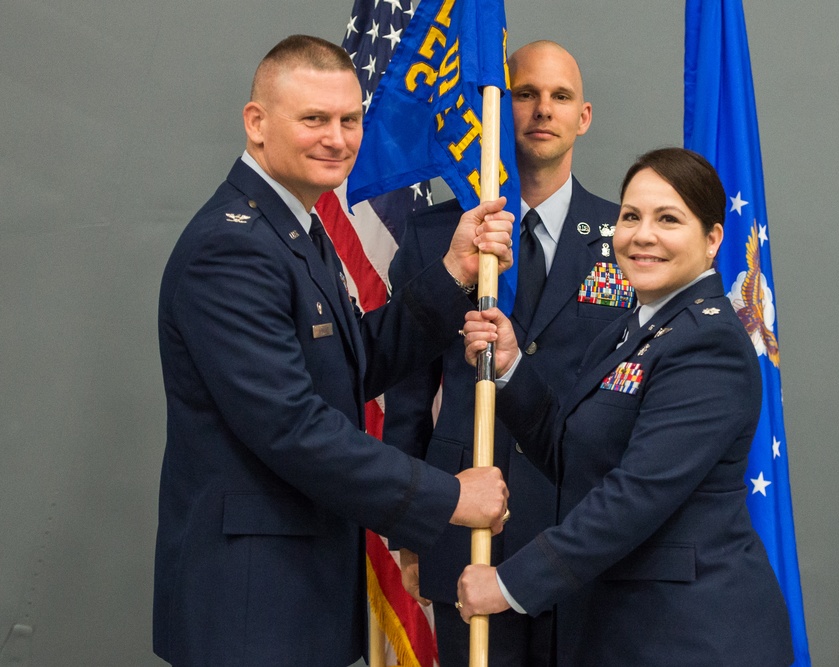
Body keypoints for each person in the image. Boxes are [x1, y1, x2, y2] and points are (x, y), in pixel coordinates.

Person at [153, 35, 513, 667]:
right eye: (314, 119)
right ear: (256, 123)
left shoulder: (294, 225)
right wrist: (448, 497)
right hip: (251, 606)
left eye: (350, 120)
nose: (338, 138)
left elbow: (346, 370)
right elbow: (293, 426)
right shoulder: (233, 248)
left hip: (295, 589)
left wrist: (454, 271)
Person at [457, 148, 795, 666]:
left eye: (668, 219)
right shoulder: (632, 329)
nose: (642, 235)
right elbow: (578, 459)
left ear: (712, 240)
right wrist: (509, 370)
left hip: (690, 636)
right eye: (631, 216)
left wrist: (509, 584)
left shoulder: (709, 345)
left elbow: (635, 494)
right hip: (624, 627)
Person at [382, 40, 630, 666]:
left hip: (582, 526)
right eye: (525, 94)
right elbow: (410, 392)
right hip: (466, 529)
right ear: (496, 110)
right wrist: (410, 529)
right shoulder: (439, 234)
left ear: (585, 116)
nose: (542, 110)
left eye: (560, 96)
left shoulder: (628, 237)